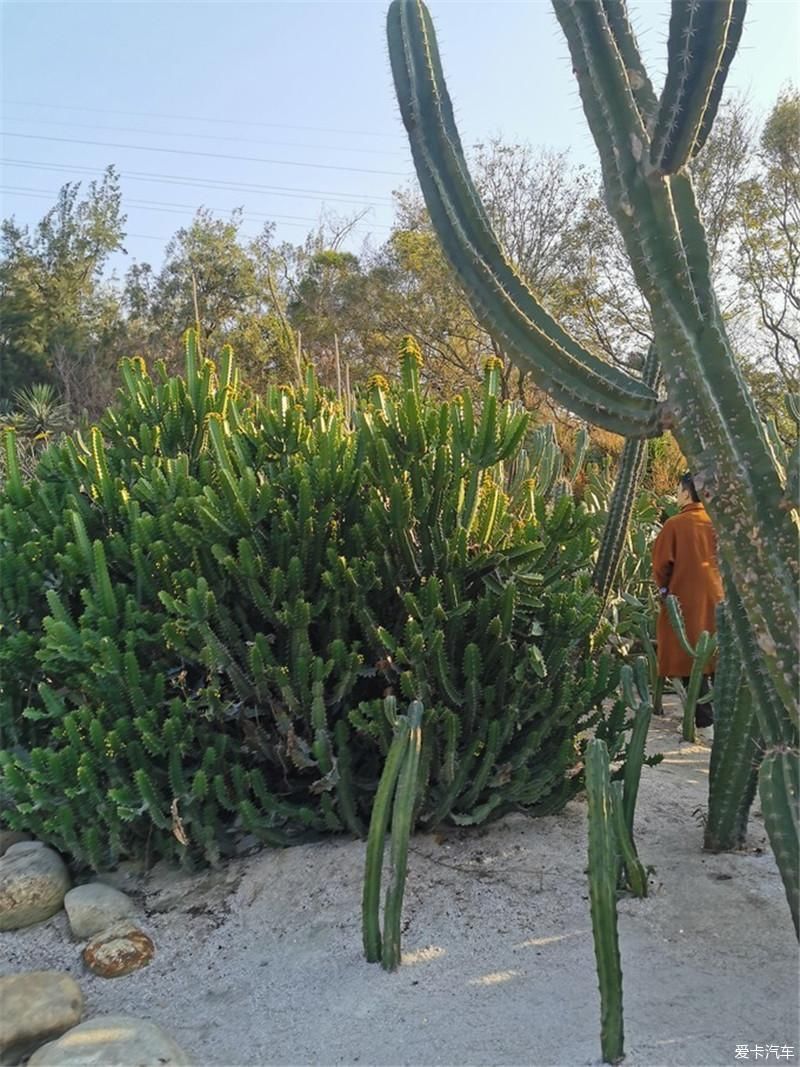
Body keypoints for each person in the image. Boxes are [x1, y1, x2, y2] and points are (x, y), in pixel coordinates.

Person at [652, 472, 723, 741]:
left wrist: (664, 591)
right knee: (717, 658)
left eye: (680, 489)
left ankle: (704, 723)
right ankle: (722, 720)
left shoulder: (676, 524)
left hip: (684, 600)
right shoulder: (717, 523)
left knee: (687, 656)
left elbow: (661, 565)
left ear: (686, 493)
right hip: (719, 598)